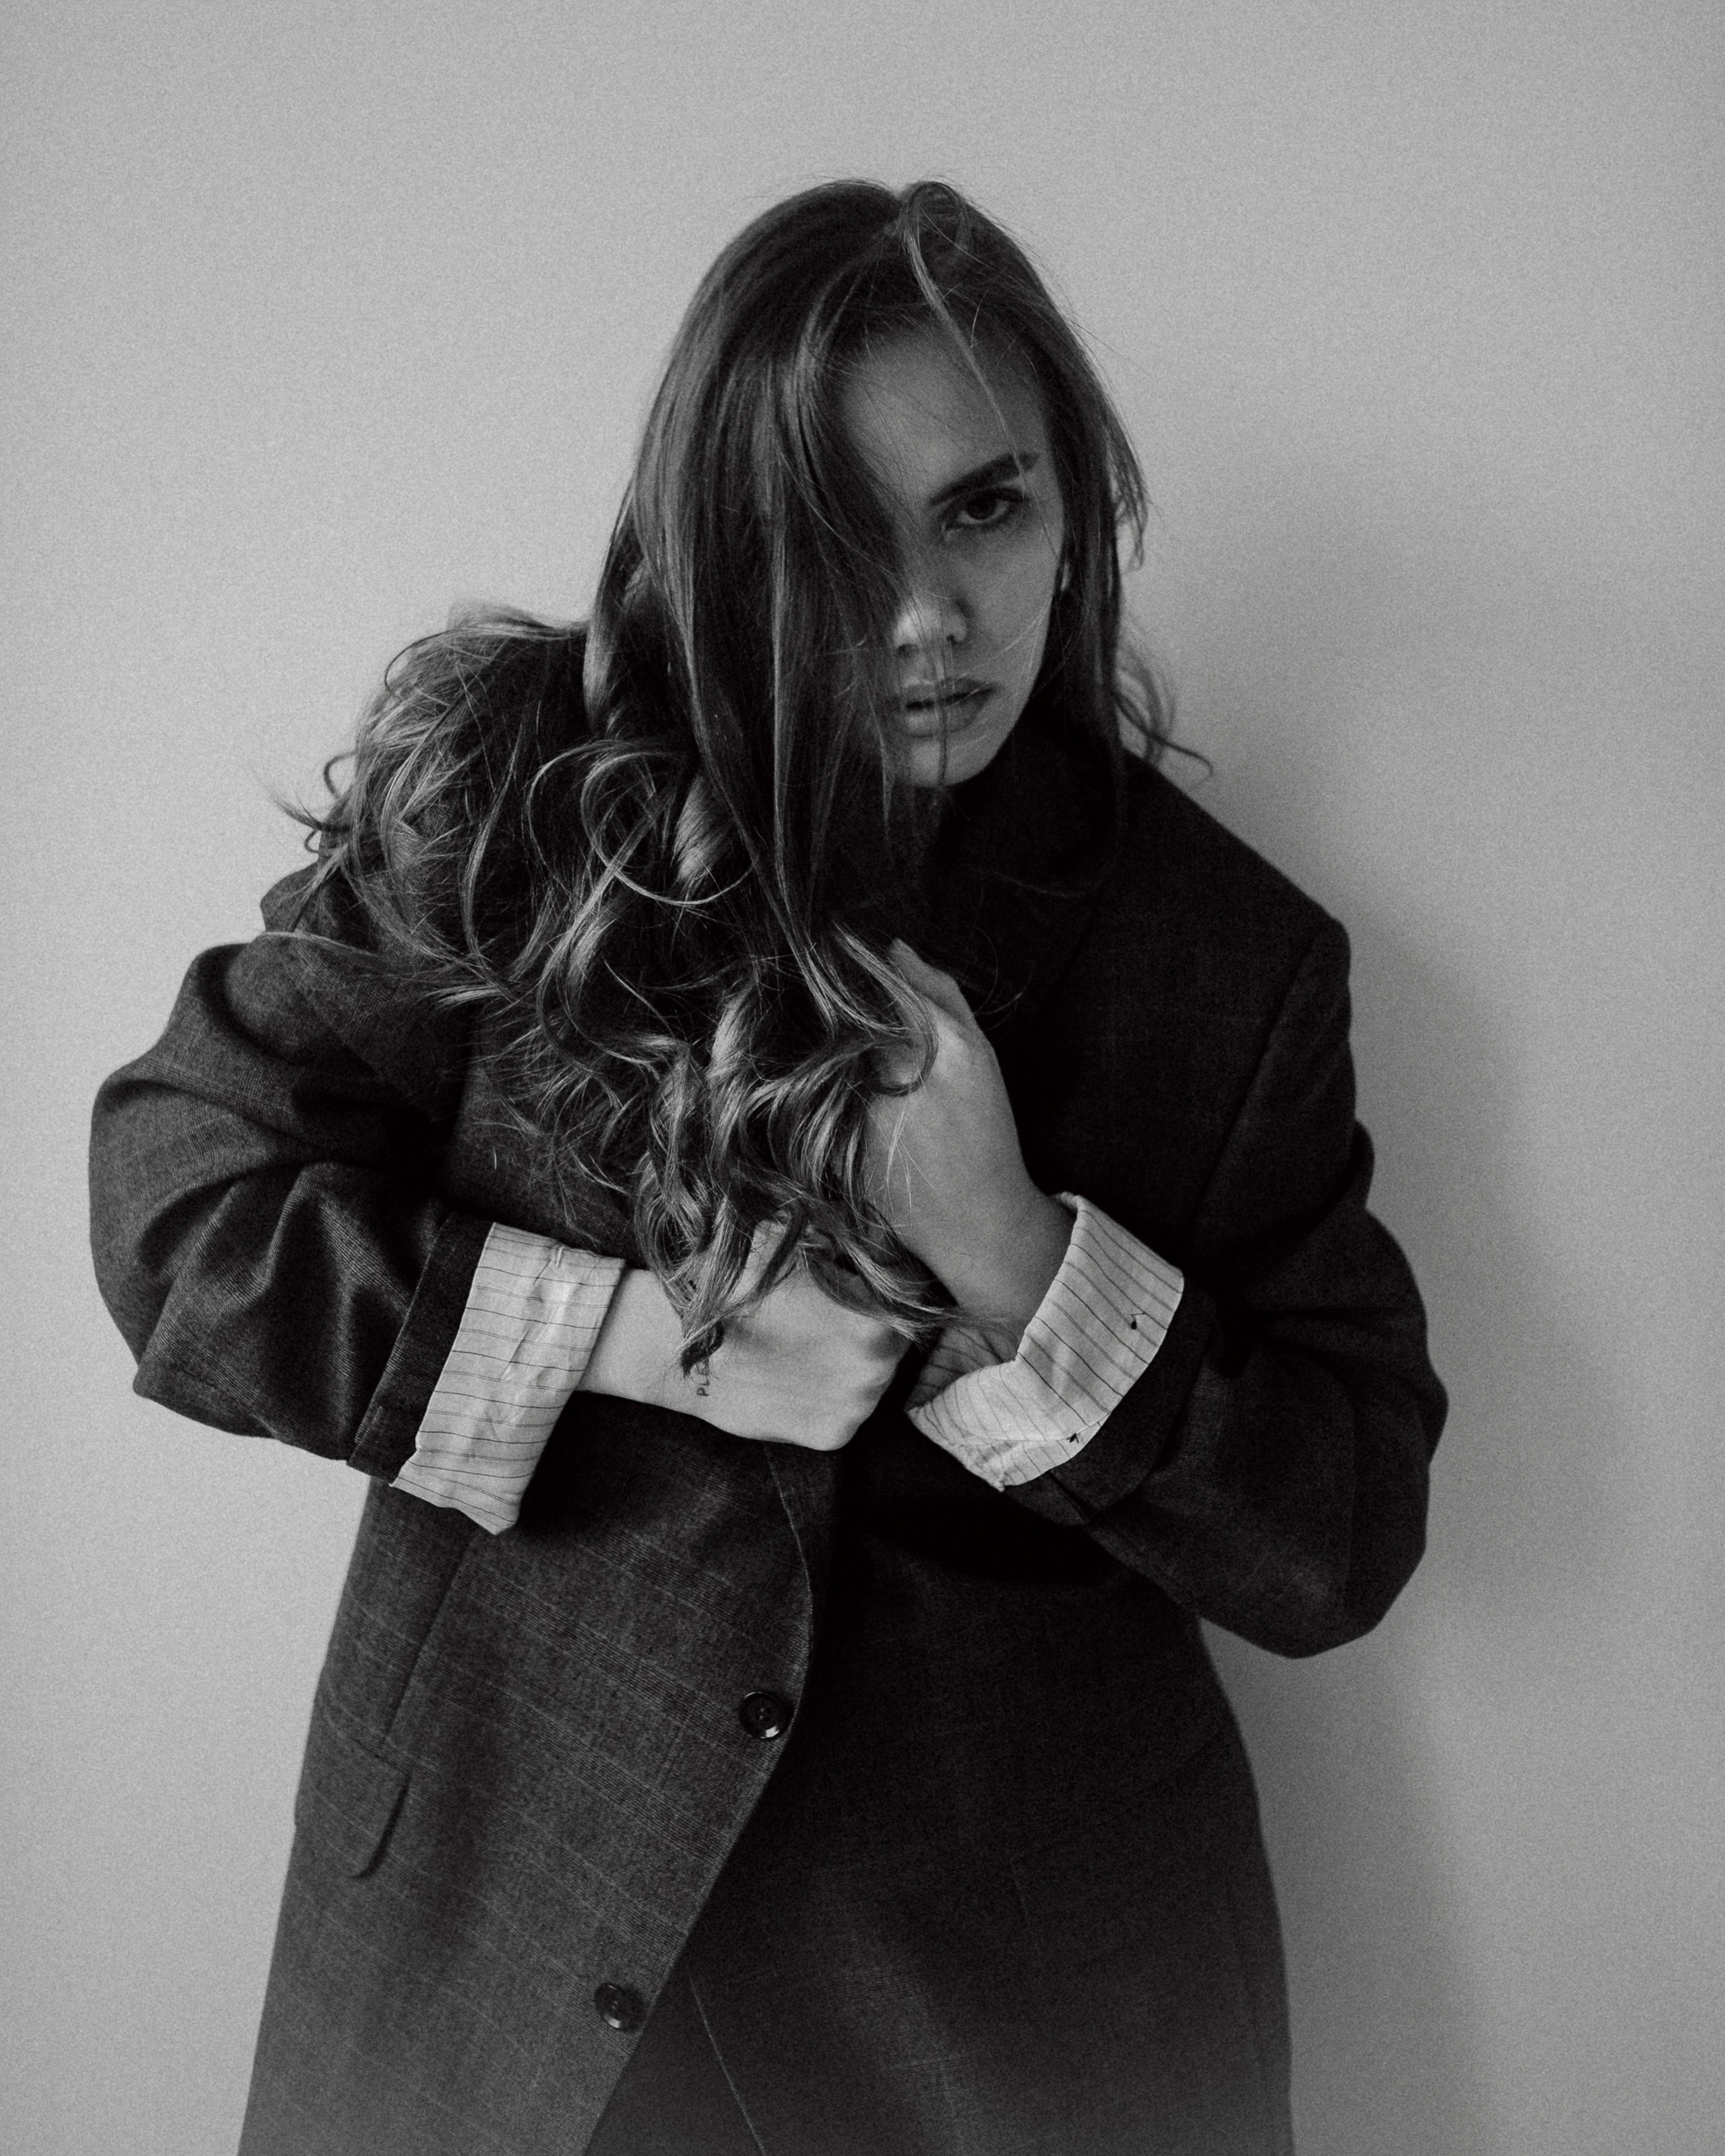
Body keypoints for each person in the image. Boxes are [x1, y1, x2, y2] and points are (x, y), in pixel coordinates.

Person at [89, 179, 1446, 2156]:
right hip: (502, 1919)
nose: (925, 615)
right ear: (720, 537)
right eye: (831, 533)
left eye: (984, 508)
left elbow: (1338, 1538)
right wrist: (652, 1339)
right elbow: (179, 1199)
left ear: (1075, 513)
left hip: (1019, 2019)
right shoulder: (511, 797)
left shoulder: (1228, 963)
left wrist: (1019, 1256)